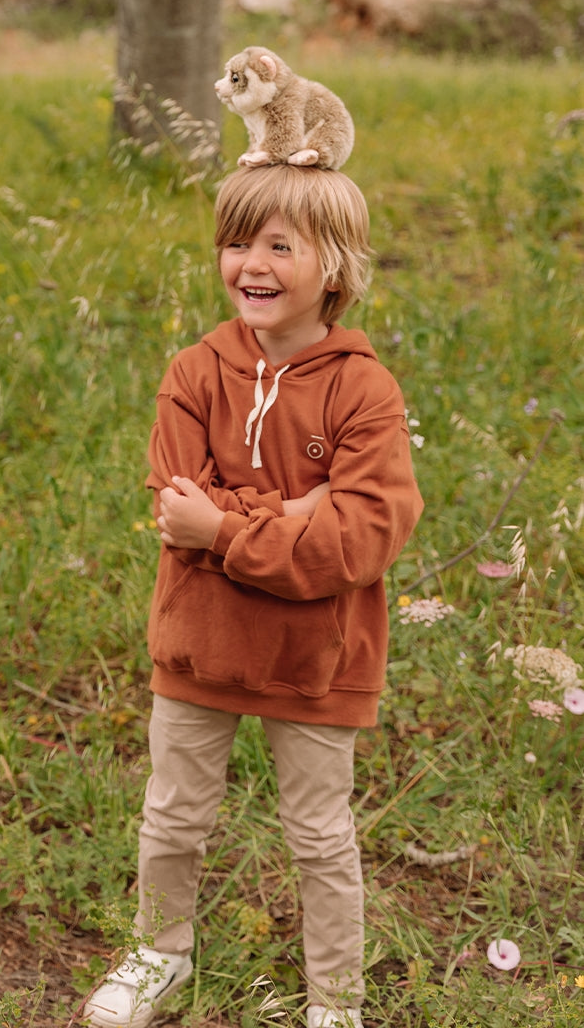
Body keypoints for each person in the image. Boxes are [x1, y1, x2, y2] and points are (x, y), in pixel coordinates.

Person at [82, 163, 423, 1028]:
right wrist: (296, 514)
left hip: (316, 660)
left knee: (319, 835)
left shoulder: (364, 391)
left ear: (337, 266)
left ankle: (335, 1001)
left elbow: (360, 540)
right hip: (200, 644)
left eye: (280, 244)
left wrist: (227, 531)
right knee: (173, 817)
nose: (251, 264)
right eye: (236, 242)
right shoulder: (194, 372)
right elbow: (173, 504)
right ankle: (160, 955)